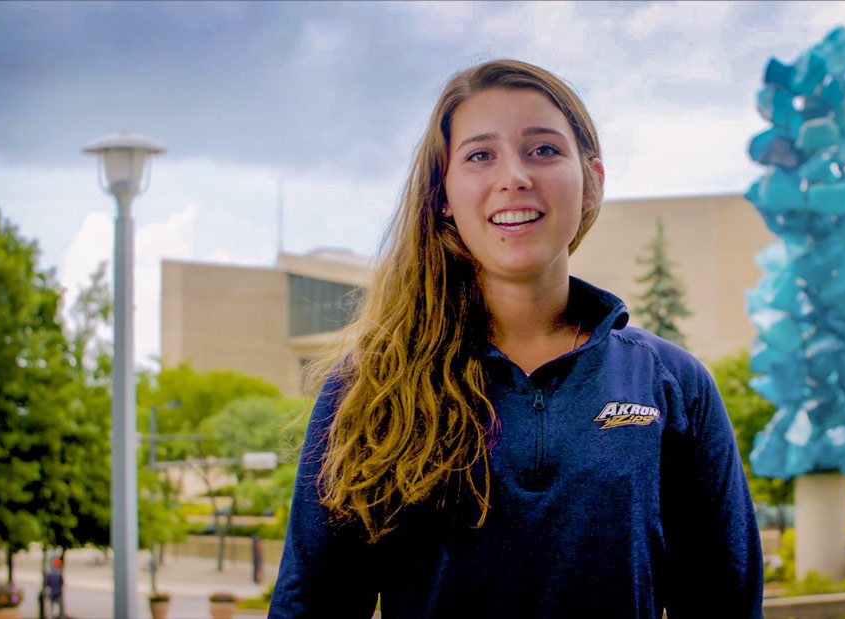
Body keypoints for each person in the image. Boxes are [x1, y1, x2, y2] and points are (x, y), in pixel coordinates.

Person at [269, 59, 763, 618]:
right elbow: (312, 605)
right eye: (480, 155)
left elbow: (727, 601)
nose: (515, 177)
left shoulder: (671, 383)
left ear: (591, 181)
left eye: (544, 150)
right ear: (443, 198)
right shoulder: (370, 388)